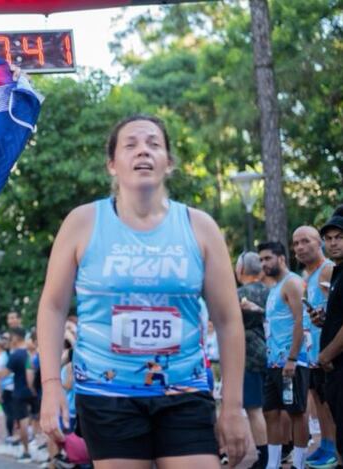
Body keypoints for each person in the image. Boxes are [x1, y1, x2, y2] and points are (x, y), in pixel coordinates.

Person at [36, 115, 248, 468]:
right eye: (130, 145)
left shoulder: (200, 227)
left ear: (169, 162)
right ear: (112, 165)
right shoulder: (82, 222)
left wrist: (233, 406)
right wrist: (51, 385)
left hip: (184, 391)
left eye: (153, 143)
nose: (143, 152)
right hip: (106, 395)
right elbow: (53, 307)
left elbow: (228, 322)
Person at [257, 240, 311, 469]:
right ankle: (273, 464)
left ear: (281, 258)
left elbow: (302, 320)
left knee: (296, 412)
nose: (263, 263)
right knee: (269, 412)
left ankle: (298, 464)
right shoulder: (275, 289)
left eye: (267, 258)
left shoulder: (293, 283)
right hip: (273, 363)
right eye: (261, 260)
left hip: (291, 362)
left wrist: (292, 358)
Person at [292, 225, 338, 468]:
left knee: (330, 401)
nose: (300, 247)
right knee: (318, 399)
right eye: (296, 243)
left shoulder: (328, 270)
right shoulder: (305, 276)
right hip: (312, 352)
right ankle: (326, 444)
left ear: (319, 242)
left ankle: (333, 447)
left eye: (306, 241)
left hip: (330, 350)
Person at [312, 205, 343, 461]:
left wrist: (325, 356)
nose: (333, 243)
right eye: (329, 238)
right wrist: (325, 320)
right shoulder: (336, 272)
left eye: (340, 237)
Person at [235, 251, 270, 469]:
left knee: (254, 409)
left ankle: (263, 457)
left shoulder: (239, 294)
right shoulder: (271, 291)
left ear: (241, 270)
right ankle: (275, 451)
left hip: (249, 356)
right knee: (270, 409)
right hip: (271, 353)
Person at [0, 327, 36, 462]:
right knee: (38, 420)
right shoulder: (31, 351)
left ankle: (26, 451)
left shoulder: (16, 355)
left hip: (20, 391)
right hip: (36, 391)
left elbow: (4, 373)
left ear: (15, 337)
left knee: (23, 422)